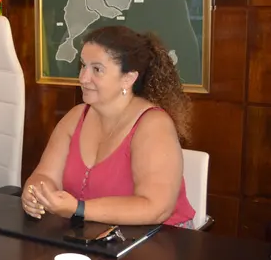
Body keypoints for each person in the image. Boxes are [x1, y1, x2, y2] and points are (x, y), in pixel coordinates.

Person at [23, 26, 195, 227]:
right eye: (83, 65)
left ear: (128, 78)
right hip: (95, 235)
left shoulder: (154, 124)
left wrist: (78, 209)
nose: (83, 78)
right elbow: (45, 176)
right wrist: (35, 194)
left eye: (97, 69)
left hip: (159, 239)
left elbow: (156, 208)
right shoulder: (75, 116)